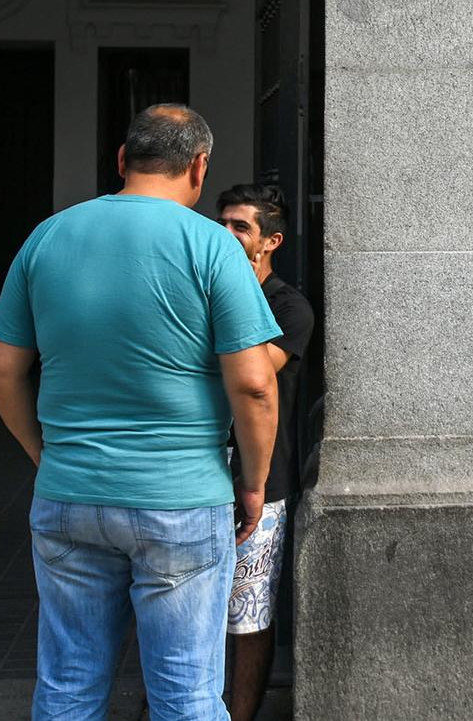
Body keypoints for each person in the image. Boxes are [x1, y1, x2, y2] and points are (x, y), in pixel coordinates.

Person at [0, 104, 281, 721]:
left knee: (67, 686)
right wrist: (251, 485)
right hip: (181, 498)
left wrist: (46, 454)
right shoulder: (211, 246)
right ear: (200, 167)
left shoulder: (49, 235)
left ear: (121, 161)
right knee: (186, 695)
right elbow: (254, 386)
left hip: (69, 491)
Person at [212, 183, 315, 721]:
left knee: (249, 615)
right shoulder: (206, 288)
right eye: (222, 223)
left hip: (265, 481)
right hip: (198, 469)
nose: (227, 235)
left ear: (271, 240)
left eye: (241, 227)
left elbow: (251, 376)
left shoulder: (290, 308)